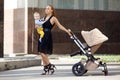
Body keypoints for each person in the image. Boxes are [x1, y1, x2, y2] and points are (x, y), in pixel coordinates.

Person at [35, 5, 71, 75]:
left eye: (48, 8)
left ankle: (50, 66)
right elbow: (37, 27)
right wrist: (36, 22)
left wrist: (67, 31)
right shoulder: (43, 18)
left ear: (52, 10)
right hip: (41, 36)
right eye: (46, 8)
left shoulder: (53, 18)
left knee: (42, 52)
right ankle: (46, 68)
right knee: (41, 53)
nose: (46, 9)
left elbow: (60, 26)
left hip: (47, 36)